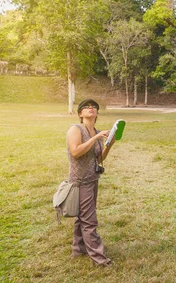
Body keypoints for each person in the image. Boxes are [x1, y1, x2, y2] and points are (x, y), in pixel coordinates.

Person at [66, 98, 115, 266]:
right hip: (80, 181)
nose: (90, 108)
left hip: (92, 179)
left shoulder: (97, 131)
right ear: (80, 114)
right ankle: (100, 259)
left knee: (82, 217)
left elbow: (98, 158)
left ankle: (78, 249)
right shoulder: (76, 129)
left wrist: (108, 144)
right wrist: (96, 138)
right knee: (89, 220)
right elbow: (76, 152)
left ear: (97, 113)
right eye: (86, 107)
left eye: (93, 106)